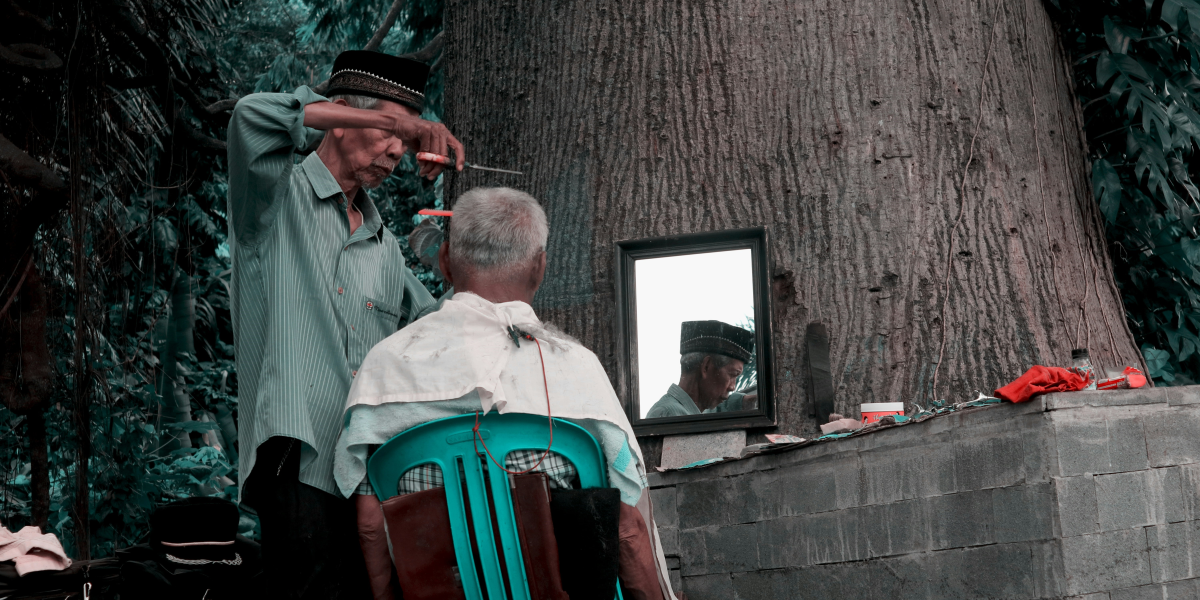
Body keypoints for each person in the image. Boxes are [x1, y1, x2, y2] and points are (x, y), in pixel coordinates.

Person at [334, 187, 676, 600]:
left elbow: (370, 523)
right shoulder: (576, 370)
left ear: (445, 261)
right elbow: (627, 525)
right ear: (540, 267)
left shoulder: (384, 366)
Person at [225, 49, 463, 599]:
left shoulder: (384, 246)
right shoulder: (271, 198)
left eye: (403, 139)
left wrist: (464, 263)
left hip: (368, 472)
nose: (397, 150)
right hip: (299, 456)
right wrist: (391, 120)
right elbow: (251, 117)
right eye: (387, 130)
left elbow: (434, 326)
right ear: (341, 115)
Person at [645, 320, 757, 419]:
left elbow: (725, 406)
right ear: (706, 366)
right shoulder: (669, 415)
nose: (733, 387)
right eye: (732, 374)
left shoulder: (699, 409)